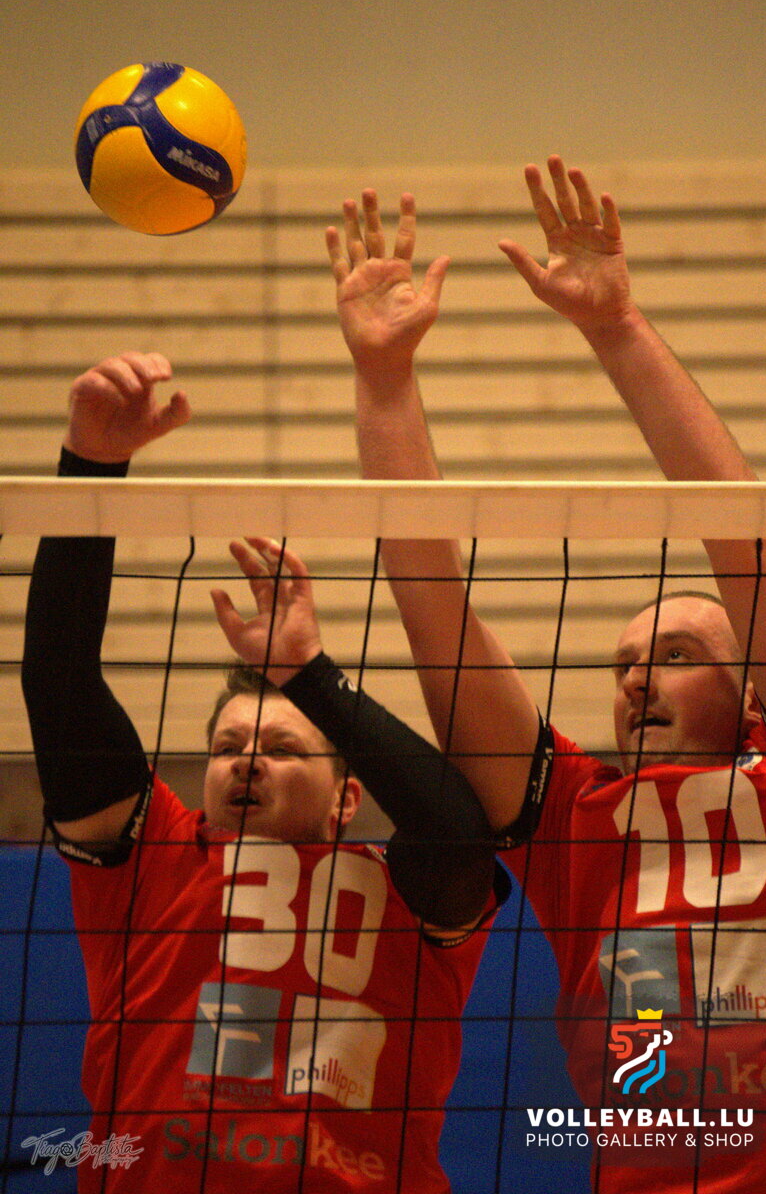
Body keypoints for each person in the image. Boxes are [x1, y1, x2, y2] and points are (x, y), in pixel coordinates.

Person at [326, 163, 766, 1192]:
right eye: (623, 663)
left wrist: (616, 328)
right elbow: (434, 612)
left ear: (755, 692)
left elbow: (748, 542)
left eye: (676, 656)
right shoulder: (574, 818)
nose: (635, 679)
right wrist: (383, 380)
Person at [21, 351, 509, 1193]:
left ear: (348, 799)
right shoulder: (155, 859)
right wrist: (91, 469)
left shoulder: (404, 892)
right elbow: (58, 681)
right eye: (227, 748)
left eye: (281, 749)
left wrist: (308, 675)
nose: (246, 759)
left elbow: (458, 831)